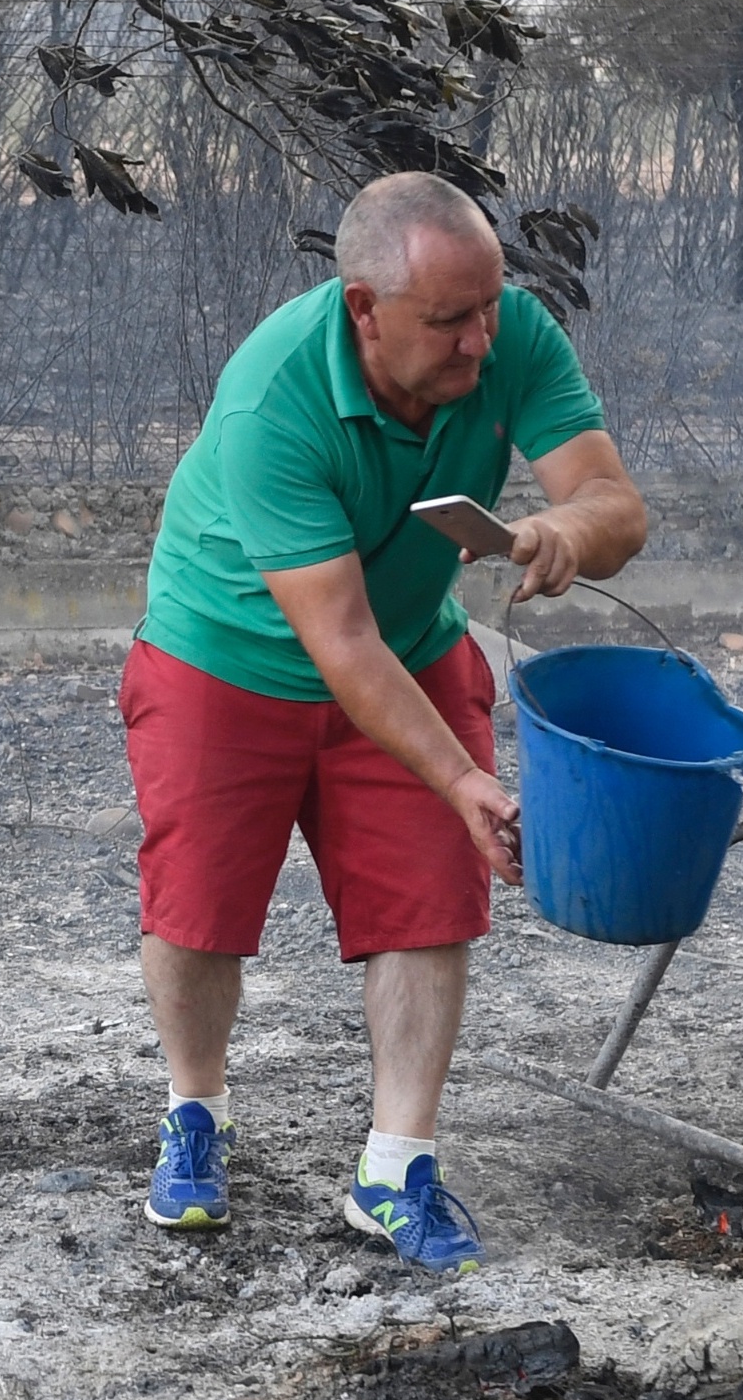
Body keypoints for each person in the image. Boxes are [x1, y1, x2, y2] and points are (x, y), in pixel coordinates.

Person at [122, 169, 647, 1271]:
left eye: (487, 309)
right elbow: (339, 644)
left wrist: (565, 531)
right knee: (200, 904)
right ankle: (195, 1114)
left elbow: (614, 504)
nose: (476, 343)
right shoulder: (277, 397)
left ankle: (395, 1169)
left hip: (408, 645)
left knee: (426, 902)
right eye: (446, 321)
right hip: (228, 657)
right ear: (365, 309)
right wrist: (462, 777)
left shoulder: (511, 338)